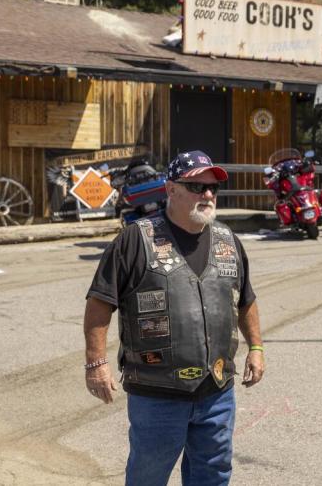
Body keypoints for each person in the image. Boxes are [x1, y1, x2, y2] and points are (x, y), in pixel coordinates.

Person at [83, 150, 264, 485]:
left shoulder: (228, 241)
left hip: (216, 391)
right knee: (148, 476)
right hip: (157, 393)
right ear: (171, 190)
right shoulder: (135, 239)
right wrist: (96, 363)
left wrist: (257, 348)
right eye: (197, 187)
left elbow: (246, 300)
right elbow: (99, 302)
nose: (208, 195)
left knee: (213, 473)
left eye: (213, 188)